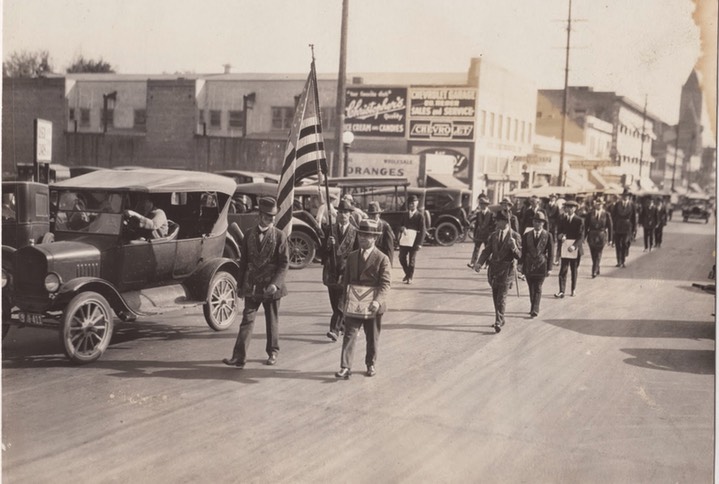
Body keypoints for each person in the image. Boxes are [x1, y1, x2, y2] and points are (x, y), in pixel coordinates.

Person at [223, 197, 289, 368]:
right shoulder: (248, 234)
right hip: (251, 285)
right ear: (259, 216)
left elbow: (284, 263)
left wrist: (275, 283)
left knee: (272, 320)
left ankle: (273, 352)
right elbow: (243, 262)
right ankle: (239, 356)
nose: (271, 219)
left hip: (271, 286)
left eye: (273, 217)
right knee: (247, 319)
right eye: (267, 216)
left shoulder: (280, 236)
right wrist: (239, 285)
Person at [335, 219, 391, 379]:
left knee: (372, 336)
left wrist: (377, 301)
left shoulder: (382, 258)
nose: (362, 238)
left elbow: (385, 283)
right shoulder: (352, 257)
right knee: (349, 334)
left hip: (373, 306)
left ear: (375, 238)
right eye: (361, 235)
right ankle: (345, 367)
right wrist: (344, 301)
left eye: (367, 236)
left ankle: (370, 363)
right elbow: (346, 281)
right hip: (354, 304)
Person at [475, 211, 522, 333]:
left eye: (499, 220)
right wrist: (479, 262)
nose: (496, 222)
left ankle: (498, 321)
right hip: (494, 270)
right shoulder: (494, 235)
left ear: (506, 222)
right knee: (496, 296)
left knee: (501, 297)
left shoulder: (515, 236)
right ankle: (501, 318)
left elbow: (519, 256)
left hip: (507, 271)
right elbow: (487, 251)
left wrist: (514, 247)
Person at [321, 200, 358, 342]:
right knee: (334, 302)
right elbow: (322, 254)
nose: (343, 215)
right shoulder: (330, 230)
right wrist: (328, 246)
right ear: (337, 214)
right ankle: (343, 325)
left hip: (346, 271)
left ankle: (334, 330)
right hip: (331, 271)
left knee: (341, 303)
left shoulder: (355, 232)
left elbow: (356, 253)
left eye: (346, 212)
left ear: (350, 215)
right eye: (341, 212)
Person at [521, 211, 553, 318]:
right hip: (529, 265)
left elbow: (551, 253)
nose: (537, 224)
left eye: (539, 222)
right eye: (535, 221)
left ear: (543, 223)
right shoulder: (526, 235)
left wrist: (549, 268)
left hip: (541, 265)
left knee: (538, 287)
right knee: (531, 287)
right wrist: (520, 265)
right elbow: (523, 252)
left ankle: (535, 309)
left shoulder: (548, 236)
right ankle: (533, 306)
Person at [555, 200, 584, 298]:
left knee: (574, 269)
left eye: (571, 207)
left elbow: (581, 236)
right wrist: (561, 236)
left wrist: (574, 246)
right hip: (565, 247)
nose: (568, 209)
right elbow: (559, 232)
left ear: (575, 209)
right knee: (563, 269)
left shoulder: (579, 220)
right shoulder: (562, 219)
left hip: (574, 249)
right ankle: (561, 290)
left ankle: (573, 289)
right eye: (567, 207)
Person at [398, 194, 426, 284]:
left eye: (413, 204)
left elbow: (423, 230)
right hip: (405, 240)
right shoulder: (404, 215)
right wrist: (402, 228)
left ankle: (409, 277)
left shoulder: (420, 216)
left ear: (417, 204)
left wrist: (420, 244)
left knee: (412, 260)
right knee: (401, 257)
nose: (411, 205)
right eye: (410, 204)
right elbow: (399, 225)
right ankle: (407, 274)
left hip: (414, 241)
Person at [585, 197, 613, 278]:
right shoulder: (590, 214)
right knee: (593, 254)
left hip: (601, 236)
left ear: (602, 205)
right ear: (594, 204)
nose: (599, 205)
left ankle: (594, 270)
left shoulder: (606, 214)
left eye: (600, 204)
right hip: (591, 236)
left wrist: (610, 239)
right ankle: (597, 267)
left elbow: (610, 227)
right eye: (597, 204)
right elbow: (586, 226)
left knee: (598, 253)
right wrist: (583, 237)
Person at [611, 188, 637, 268]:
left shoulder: (632, 205)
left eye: (627, 196)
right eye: (624, 195)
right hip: (618, 226)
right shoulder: (617, 204)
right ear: (622, 196)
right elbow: (613, 216)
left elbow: (634, 218)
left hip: (628, 226)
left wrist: (634, 229)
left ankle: (623, 259)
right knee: (618, 244)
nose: (625, 197)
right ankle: (619, 261)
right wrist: (613, 227)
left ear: (629, 197)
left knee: (625, 243)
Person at [467, 195, 496, 268]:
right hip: (479, 234)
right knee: (476, 249)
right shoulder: (478, 214)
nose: (482, 206)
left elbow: (493, 226)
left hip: (487, 235)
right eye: (481, 204)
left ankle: (487, 264)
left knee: (487, 250)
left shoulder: (491, 214)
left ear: (487, 205)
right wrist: (474, 235)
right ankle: (473, 263)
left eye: (484, 204)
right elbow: (476, 225)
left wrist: (491, 234)